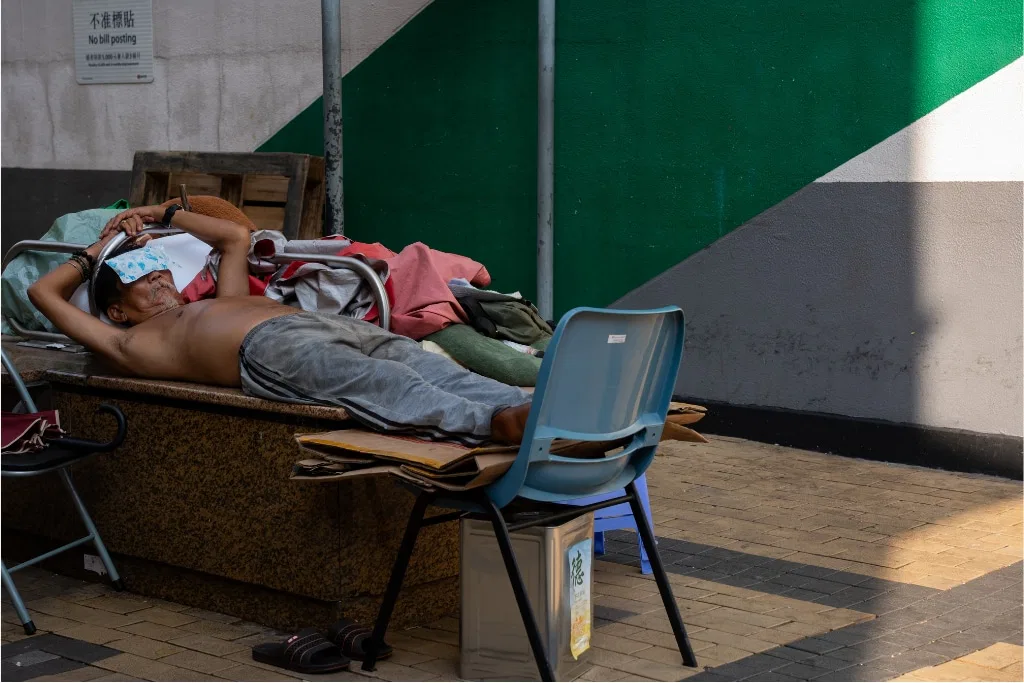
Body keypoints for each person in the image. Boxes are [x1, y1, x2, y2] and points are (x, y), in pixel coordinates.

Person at [27, 202, 531, 445]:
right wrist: (102, 248)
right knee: (387, 383)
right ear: (117, 311)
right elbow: (41, 292)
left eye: (157, 266)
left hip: (313, 324)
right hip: (267, 351)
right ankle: (492, 424)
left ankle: (532, 407)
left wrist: (162, 213)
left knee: (418, 362)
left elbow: (232, 238)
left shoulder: (212, 301)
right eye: (138, 274)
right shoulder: (129, 341)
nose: (157, 275)